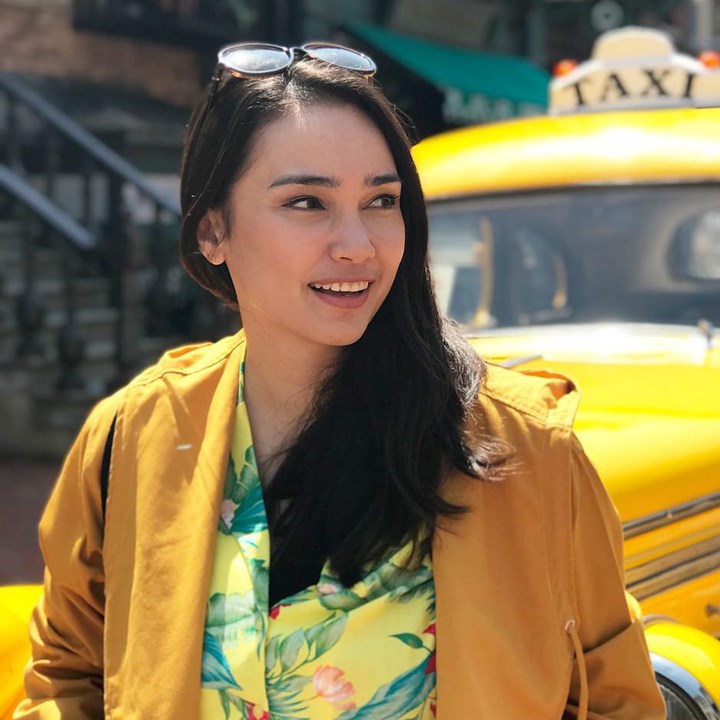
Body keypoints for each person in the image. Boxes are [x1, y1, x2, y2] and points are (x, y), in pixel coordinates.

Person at [15, 42, 665, 719]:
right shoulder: (134, 434)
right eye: (307, 202)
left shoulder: (526, 449)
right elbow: (67, 672)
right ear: (213, 231)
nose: (358, 245)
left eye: (381, 200)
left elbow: (616, 699)